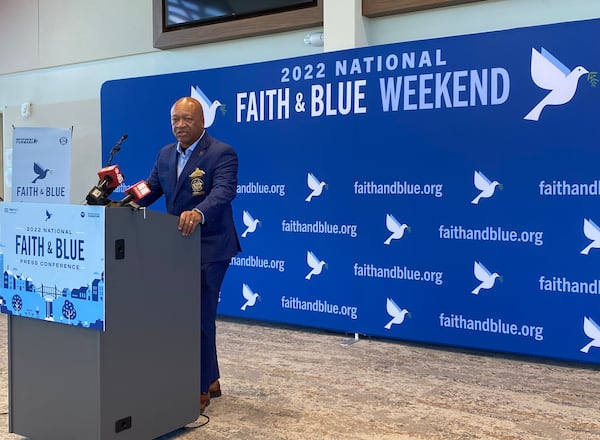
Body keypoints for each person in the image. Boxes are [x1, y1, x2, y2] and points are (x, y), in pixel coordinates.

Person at [137, 96, 241, 413]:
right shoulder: (165, 153)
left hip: (211, 246)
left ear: (202, 122)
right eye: (175, 120)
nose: (180, 125)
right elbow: (151, 189)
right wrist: (123, 202)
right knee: (188, 315)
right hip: (179, 246)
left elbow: (224, 191)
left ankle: (198, 387)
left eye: (187, 119)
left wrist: (198, 212)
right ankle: (211, 378)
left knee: (199, 315)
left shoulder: (222, 153)